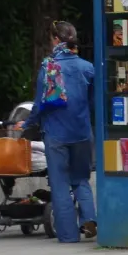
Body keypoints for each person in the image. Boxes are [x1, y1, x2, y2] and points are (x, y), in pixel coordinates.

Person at [19, 21, 98, 243]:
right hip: (82, 131)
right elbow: (92, 100)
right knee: (81, 179)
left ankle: (68, 235)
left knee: (60, 184)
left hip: (55, 134)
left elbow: (38, 104)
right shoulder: (87, 67)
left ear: (55, 40)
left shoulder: (48, 67)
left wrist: (27, 126)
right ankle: (89, 219)